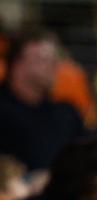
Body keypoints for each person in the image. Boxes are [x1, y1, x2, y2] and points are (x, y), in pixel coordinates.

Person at [0, 29, 84, 172]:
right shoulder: (4, 113)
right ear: (17, 65)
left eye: (55, 60)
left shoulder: (66, 114)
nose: (54, 66)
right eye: (43, 59)